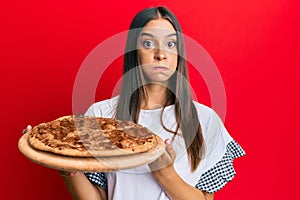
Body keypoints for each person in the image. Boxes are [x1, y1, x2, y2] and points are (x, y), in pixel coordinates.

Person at [25, 6, 245, 200]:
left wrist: (164, 172)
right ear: (134, 52)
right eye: (148, 43)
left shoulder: (205, 120)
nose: (160, 54)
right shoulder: (101, 115)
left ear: (179, 54)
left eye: (170, 43)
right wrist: (65, 164)